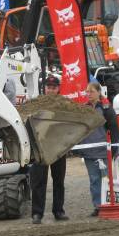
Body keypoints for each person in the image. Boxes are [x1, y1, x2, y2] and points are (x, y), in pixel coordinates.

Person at [76, 81, 119, 217]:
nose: (88, 94)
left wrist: (114, 147)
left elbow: (114, 129)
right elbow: (80, 130)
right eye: (87, 92)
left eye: (91, 92)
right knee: (94, 180)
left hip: (103, 151)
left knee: (106, 179)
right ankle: (98, 206)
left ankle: (108, 204)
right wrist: (78, 148)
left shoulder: (106, 108)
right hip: (89, 152)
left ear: (98, 92)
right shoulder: (83, 109)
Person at [30, 75, 68, 224]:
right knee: (39, 182)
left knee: (59, 181)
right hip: (41, 149)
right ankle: (37, 213)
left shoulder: (65, 104)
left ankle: (58, 211)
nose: (51, 90)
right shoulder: (36, 104)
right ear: (45, 88)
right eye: (49, 87)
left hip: (58, 148)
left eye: (54, 87)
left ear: (58, 89)